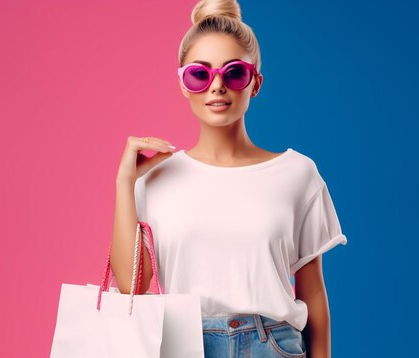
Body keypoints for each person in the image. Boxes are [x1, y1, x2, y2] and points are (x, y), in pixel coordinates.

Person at [110, 0, 347, 356]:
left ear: (255, 83)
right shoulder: (155, 178)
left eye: (233, 73)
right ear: (183, 85)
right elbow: (131, 286)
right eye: (199, 74)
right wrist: (124, 183)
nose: (216, 86)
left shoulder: (297, 174)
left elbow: (312, 295)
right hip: (183, 345)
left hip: (274, 346)